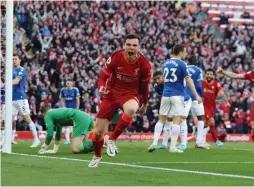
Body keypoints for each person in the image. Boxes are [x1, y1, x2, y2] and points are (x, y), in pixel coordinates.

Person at [88, 34, 151, 167]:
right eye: (128, 45)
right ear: (124, 46)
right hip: (111, 94)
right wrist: (101, 88)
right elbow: (102, 77)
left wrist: (145, 103)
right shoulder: (116, 57)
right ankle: (97, 155)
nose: (131, 47)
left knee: (132, 109)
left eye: (134, 45)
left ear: (138, 47)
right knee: (98, 132)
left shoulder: (144, 64)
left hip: (130, 94)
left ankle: (112, 139)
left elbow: (145, 86)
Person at [149, 44, 202, 154]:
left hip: (165, 95)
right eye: (185, 51)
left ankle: (154, 142)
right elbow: (189, 80)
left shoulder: (166, 64)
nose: (186, 54)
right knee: (176, 122)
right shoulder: (182, 64)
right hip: (177, 95)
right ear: (181, 52)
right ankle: (172, 147)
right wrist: (196, 95)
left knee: (161, 120)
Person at [148, 70, 192, 151]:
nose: (157, 81)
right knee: (167, 121)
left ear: (163, 77)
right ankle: (164, 144)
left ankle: (183, 144)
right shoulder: (156, 86)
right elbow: (161, 96)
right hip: (172, 102)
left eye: (159, 78)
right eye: (155, 79)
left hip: (184, 100)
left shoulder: (171, 83)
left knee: (182, 120)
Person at [217, 66, 254, 142]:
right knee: (253, 125)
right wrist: (223, 72)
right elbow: (236, 75)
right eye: (253, 63)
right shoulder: (251, 74)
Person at [11, 54, 40, 147]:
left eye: (15, 59)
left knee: (27, 119)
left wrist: (5, 82)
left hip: (20, 98)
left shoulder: (22, 70)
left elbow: (16, 82)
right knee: (9, 120)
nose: (14, 60)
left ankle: (36, 139)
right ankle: (9, 140)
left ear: (19, 60)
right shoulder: (11, 71)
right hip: (11, 98)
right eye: (12, 59)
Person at [202, 68, 230, 147]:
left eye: (210, 74)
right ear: (205, 75)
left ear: (213, 75)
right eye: (207, 74)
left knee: (206, 125)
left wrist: (226, 101)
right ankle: (217, 141)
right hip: (203, 107)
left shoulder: (216, 84)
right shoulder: (202, 83)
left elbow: (221, 93)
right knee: (211, 121)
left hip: (211, 108)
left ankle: (200, 139)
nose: (209, 75)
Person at [185, 55, 208, 149]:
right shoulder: (198, 70)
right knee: (201, 118)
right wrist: (201, 95)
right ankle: (199, 142)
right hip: (195, 97)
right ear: (195, 61)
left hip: (184, 97)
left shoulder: (183, 68)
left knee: (181, 118)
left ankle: (182, 143)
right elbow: (199, 85)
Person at [59, 78, 80, 144]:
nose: (69, 84)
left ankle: (72, 138)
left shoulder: (75, 89)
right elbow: (62, 100)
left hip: (74, 109)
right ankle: (67, 139)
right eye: (67, 83)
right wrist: (63, 108)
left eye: (70, 83)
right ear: (66, 83)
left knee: (73, 125)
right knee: (67, 124)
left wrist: (77, 109)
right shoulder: (63, 90)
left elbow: (77, 100)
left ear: (72, 84)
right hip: (66, 109)